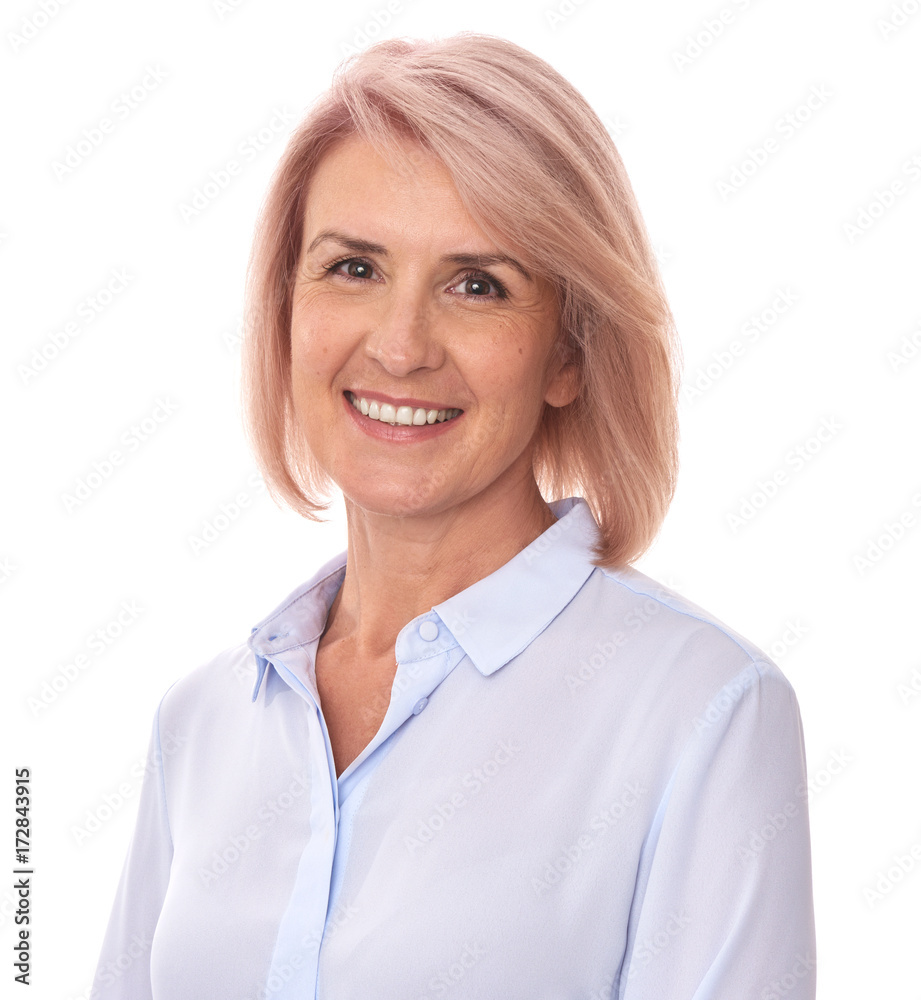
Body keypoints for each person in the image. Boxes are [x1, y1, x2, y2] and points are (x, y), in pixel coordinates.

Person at [91, 32, 816, 1000]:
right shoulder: (204, 719)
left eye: (479, 285)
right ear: (286, 312)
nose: (398, 347)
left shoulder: (702, 710)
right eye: (353, 268)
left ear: (570, 354)